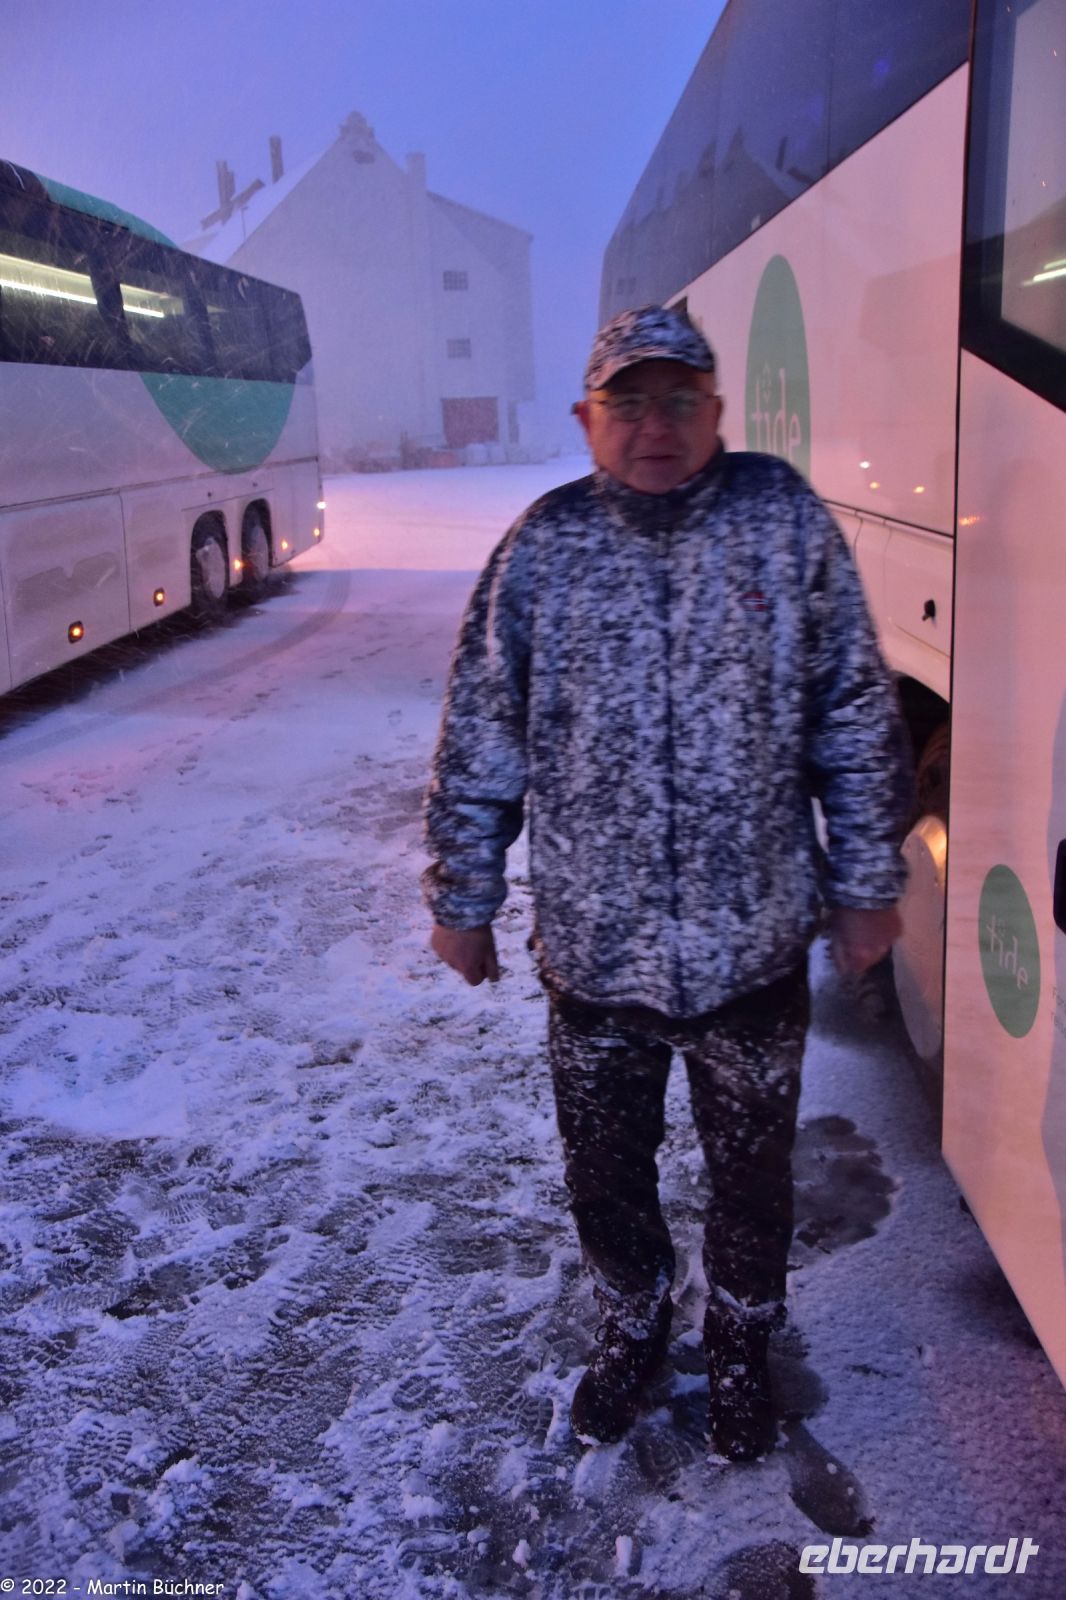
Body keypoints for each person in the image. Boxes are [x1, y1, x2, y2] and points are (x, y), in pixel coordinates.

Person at [422, 304, 911, 1461]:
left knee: (750, 1177)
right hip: (596, 953)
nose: (655, 424)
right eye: (628, 403)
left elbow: (852, 712)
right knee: (605, 1169)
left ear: (717, 412)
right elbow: (483, 731)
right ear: (588, 421)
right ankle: (633, 1321)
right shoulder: (543, 547)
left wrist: (867, 879)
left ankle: (740, 1338)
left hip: (751, 947)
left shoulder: (779, 520)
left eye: (678, 399)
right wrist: (463, 895)